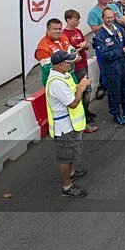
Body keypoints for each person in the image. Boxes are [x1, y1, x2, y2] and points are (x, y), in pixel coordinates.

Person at [45, 50, 92, 198]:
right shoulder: (57, 83)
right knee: (65, 158)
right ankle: (67, 186)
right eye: (68, 62)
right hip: (64, 127)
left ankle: (71, 174)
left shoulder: (63, 76)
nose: (71, 64)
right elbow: (72, 103)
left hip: (71, 124)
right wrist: (81, 88)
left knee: (71, 154)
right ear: (60, 64)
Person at [92, 8, 125, 125]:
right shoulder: (99, 36)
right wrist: (122, 50)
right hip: (111, 68)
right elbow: (105, 54)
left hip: (123, 65)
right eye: (107, 17)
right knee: (114, 92)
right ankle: (116, 114)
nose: (110, 19)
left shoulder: (118, 29)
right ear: (102, 18)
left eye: (111, 17)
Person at [62, 10, 98, 129]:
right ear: (68, 20)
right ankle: (83, 112)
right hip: (76, 66)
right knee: (84, 89)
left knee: (87, 89)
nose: (78, 21)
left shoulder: (78, 31)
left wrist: (85, 45)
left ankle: (86, 110)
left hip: (83, 62)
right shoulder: (64, 34)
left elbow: (86, 44)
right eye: (76, 19)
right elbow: (68, 52)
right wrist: (78, 47)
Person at [34, 18, 76, 87]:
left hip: (70, 76)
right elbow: (48, 69)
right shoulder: (43, 48)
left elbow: (72, 50)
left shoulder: (63, 37)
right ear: (48, 30)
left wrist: (75, 54)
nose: (58, 31)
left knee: (77, 95)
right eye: (55, 29)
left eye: (60, 29)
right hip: (56, 82)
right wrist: (71, 61)